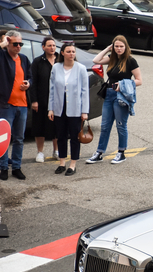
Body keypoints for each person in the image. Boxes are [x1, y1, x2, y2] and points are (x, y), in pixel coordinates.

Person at [0, 30, 31, 181]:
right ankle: (3, 167)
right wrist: (2, 44)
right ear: (8, 43)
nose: (18, 47)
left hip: (22, 105)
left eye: (20, 44)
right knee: (4, 137)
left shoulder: (23, 59)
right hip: (6, 104)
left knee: (19, 138)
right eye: (15, 44)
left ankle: (16, 167)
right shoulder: (1, 56)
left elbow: (30, 76)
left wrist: (28, 83)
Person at [87, 35, 142, 165]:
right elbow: (96, 60)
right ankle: (99, 153)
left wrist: (122, 85)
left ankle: (121, 153)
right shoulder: (111, 59)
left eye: (121, 46)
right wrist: (107, 49)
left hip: (121, 95)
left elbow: (139, 80)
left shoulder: (130, 61)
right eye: (116, 46)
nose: (118, 49)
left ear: (126, 47)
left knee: (120, 125)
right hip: (109, 95)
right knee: (105, 126)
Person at [48, 43, 89, 176]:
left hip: (75, 108)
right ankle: (62, 162)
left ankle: (73, 164)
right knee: (61, 136)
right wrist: (51, 108)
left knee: (74, 137)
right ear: (63, 53)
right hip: (59, 107)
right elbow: (52, 89)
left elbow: (84, 91)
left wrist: (84, 111)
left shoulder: (81, 68)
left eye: (73, 51)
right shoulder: (56, 67)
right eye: (69, 51)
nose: (71, 54)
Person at [30, 37, 59, 163]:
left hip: (58, 100)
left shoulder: (60, 60)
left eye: (53, 45)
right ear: (43, 47)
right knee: (39, 126)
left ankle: (56, 150)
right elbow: (33, 82)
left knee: (57, 126)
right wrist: (34, 100)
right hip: (42, 99)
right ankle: (40, 152)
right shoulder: (38, 62)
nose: (52, 48)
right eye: (49, 45)